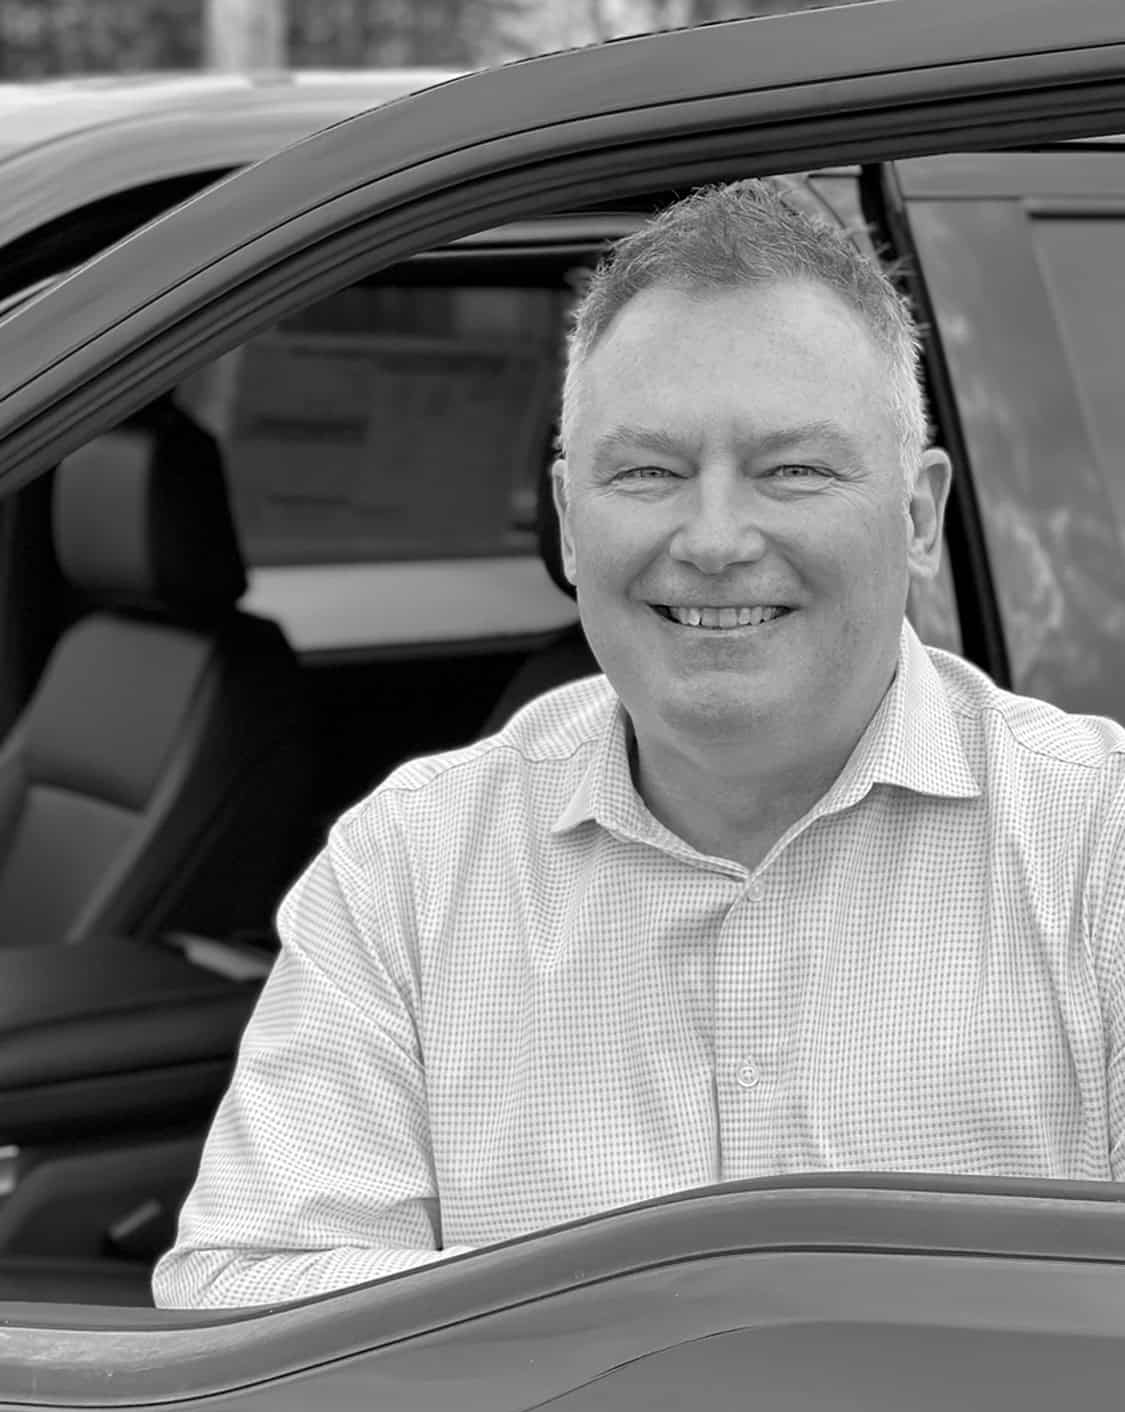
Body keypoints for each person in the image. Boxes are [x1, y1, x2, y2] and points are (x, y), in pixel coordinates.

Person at [152, 179, 1125, 1310]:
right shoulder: (408, 869)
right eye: (648, 473)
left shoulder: (1100, 851)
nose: (713, 540)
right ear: (568, 520)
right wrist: (685, 1329)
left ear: (917, 516)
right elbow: (244, 1296)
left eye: (794, 469)